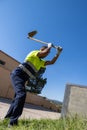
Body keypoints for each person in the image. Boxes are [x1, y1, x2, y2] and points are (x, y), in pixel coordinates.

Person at [5, 43, 62, 127]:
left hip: (23, 78)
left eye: (48, 53)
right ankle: (12, 122)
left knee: (17, 97)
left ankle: (7, 118)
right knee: (21, 95)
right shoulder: (34, 53)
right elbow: (45, 52)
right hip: (17, 74)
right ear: (41, 50)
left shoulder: (41, 62)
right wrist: (49, 46)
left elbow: (52, 62)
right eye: (46, 52)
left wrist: (58, 53)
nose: (47, 54)